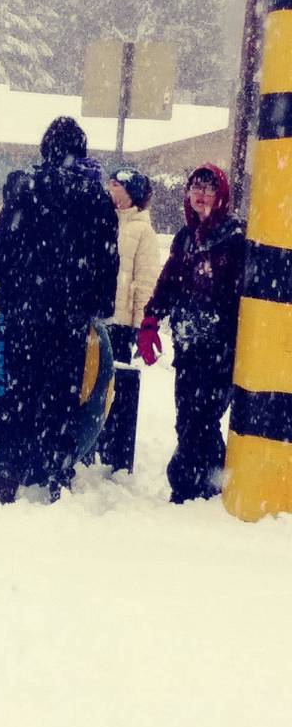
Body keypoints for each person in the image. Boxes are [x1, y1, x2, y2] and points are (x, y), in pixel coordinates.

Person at [0, 116, 119, 503]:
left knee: (17, 390)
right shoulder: (97, 198)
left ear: (47, 148)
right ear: (82, 150)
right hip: (71, 315)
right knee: (62, 393)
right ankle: (57, 470)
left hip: (24, 309)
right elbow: (108, 259)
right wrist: (99, 305)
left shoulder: (26, 188)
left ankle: (8, 469)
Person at [138, 163, 245, 504]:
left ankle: (190, 483)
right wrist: (152, 319)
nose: (201, 195)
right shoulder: (186, 237)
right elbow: (169, 282)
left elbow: (243, 293)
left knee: (202, 417)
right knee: (188, 416)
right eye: (196, 188)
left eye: (209, 189)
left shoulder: (234, 238)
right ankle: (207, 483)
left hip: (221, 347)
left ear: (222, 195)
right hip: (188, 345)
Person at [106, 167, 160, 363]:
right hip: (98, 318)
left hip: (121, 323)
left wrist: (140, 325)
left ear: (130, 192)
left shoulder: (143, 231)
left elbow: (145, 282)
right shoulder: (104, 222)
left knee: (116, 383)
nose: (108, 187)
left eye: (115, 184)